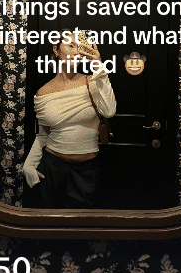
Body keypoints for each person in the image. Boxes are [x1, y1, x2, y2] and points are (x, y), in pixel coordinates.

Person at [21, 30, 116, 209]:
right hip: (52, 167)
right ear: (56, 50)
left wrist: (99, 67)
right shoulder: (43, 92)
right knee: (49, 227)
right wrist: (29, 165)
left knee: (81, 228)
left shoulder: (93, 82)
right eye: (69, 45)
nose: (74, 51)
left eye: (78, 47)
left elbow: (109, 111)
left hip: (86, 170)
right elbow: (43, 134)